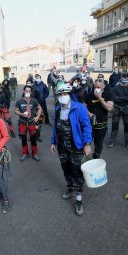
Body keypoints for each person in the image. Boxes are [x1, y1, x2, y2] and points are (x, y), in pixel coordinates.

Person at [50, 83, 92, 216]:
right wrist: (53, 142)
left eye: (65, 94)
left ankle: (79, 198)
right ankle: (70, 188)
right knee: (66, 169)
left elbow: (87, 126)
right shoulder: (57, 109)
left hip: (77, 147)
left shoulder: (79, 108)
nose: (63, 96)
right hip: (62, 147)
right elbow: (55, 128)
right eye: (60, 94)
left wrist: (87, 143)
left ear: (69, 94)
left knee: (77, 172)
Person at [84, 79, 114, 159]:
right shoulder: (89, 96)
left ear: (103, 87)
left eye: (99, 87)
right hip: (90, 124)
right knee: (87, 141)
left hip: (102, 124)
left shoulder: (108, 95)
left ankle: (96, 158)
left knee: (99, 143)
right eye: (95, 87)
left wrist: (100, 98)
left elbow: (109, 108)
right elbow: (83, 107)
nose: (96, 89)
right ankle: (84, 157)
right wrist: (89, 114)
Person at [15, 83, 42, 162]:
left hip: (31, 122)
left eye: (29, 91)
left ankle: (35, 154)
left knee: (33, 139)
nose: (27, 92)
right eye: (26, 91)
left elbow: (39, 108)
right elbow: (15, 111)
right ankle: (25, 153)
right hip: (22, 122)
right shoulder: (19, 101)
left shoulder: (34, 100)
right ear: (24, 91)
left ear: (31, 92)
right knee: (23, 139)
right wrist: (21, 114)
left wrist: (37, 117)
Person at [108, 72, 128, 150]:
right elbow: (114, 98)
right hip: (116, 108)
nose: (125, 78)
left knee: (127, 126)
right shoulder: (115, 88)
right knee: (114, 126)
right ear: (121, 77)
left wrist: (119, 98)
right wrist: (125, 97)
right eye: (124, 76)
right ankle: (111, 142)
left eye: (127, 77)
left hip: (127, 109)